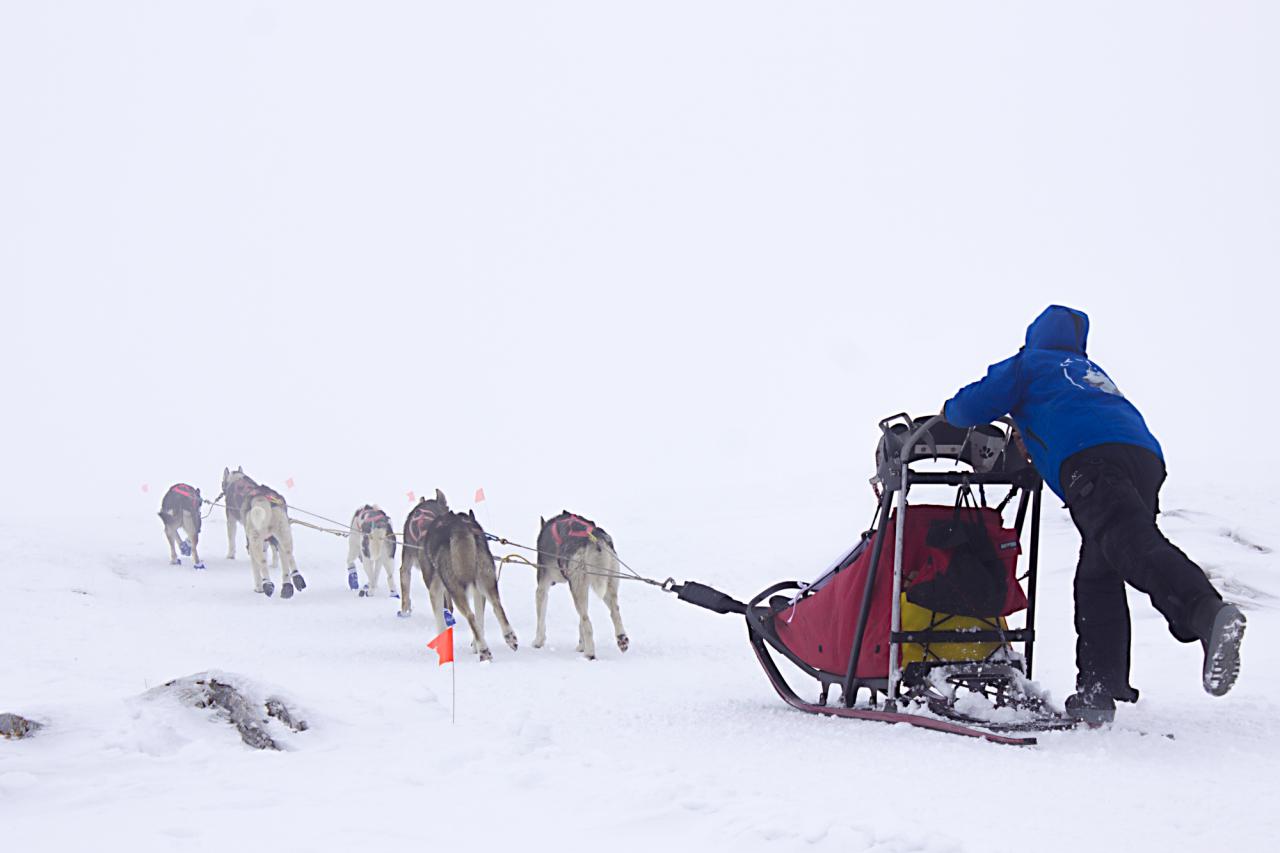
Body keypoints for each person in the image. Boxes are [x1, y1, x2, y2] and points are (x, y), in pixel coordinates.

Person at [942, 305, 1245, 724]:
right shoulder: (1087, 370)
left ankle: (1204, 612)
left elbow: (966, 409)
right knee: (1100, 570)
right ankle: (1097, 690)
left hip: (1091, 460)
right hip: (1143, 457)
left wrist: (946, 414)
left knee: (1128, 543)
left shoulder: (1028, 364)